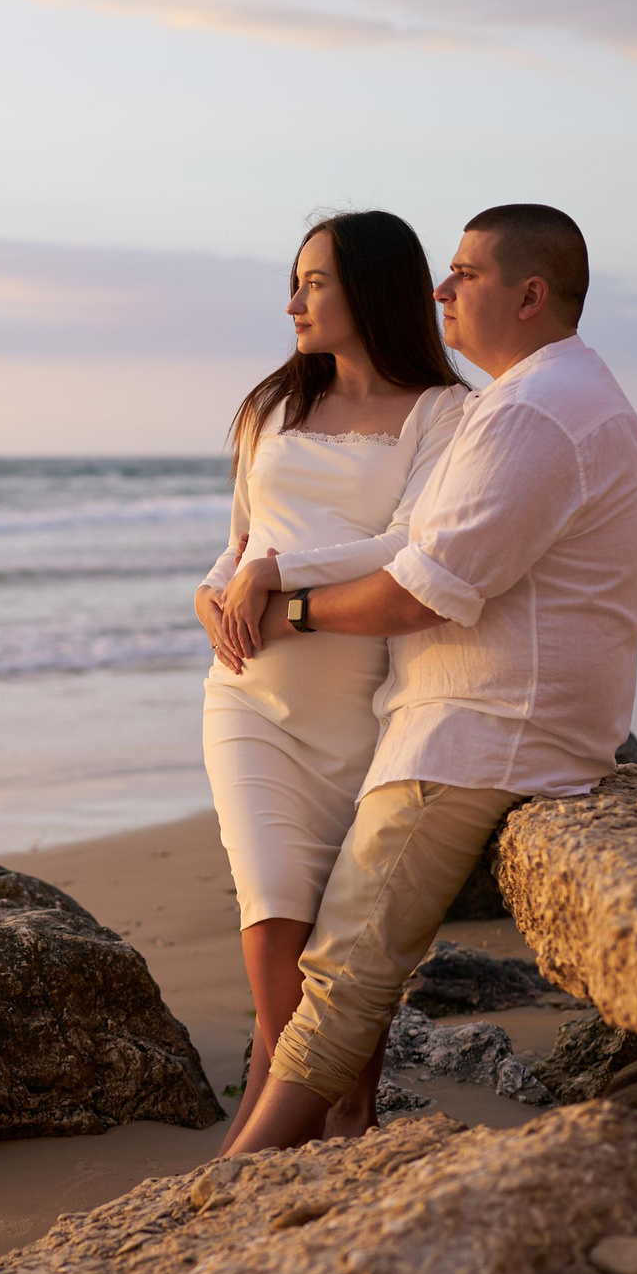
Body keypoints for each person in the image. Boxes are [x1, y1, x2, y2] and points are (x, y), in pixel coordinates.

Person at [220, 203, 637, 1156]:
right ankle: (290, 1145)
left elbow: (426, 585)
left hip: (482, 721)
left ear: (530, 295)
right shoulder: (545, 398)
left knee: (348, 956)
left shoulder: (531, 411)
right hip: (462, 710)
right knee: (327, 946)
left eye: (465, 273)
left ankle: (247, 1167)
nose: (443, 288)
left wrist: (288, 608)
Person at [193, 211, 470, 1144]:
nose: (294, 301)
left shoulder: (443, 412)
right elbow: (236, 538)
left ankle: (340, 1121)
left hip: (365, 704)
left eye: (315, 282)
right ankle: (269, 1135)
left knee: (345, 939)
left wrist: (280, 575)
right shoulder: (271, 406)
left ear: (373, 288)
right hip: (250, 698)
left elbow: (411, 546)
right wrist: (212, 591)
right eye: (295, 281)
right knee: (271, 907)